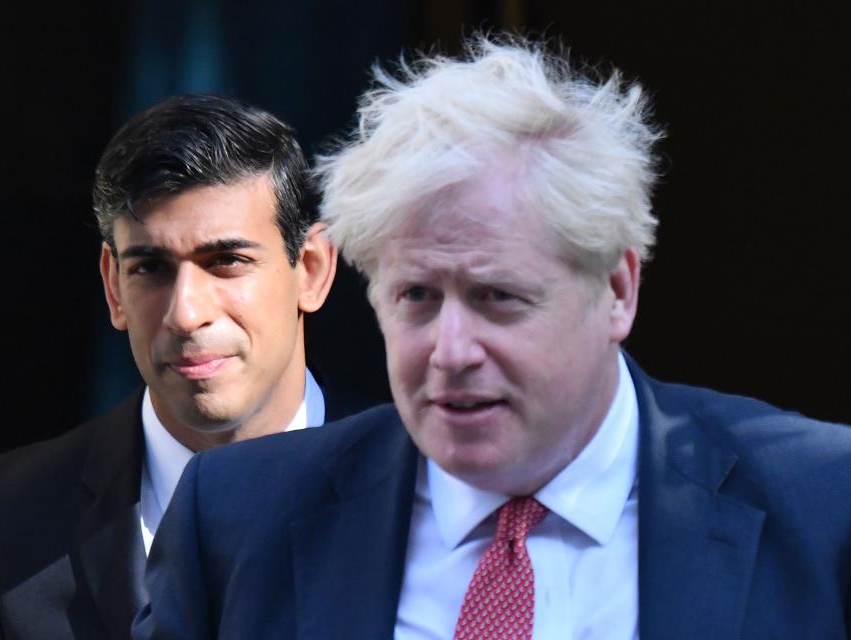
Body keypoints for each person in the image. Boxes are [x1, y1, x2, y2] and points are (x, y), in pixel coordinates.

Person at [133, 37, 851, 639]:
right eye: (416, 296)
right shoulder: (235, 520)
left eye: (498, 298)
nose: (450, 351)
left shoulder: (824, 507)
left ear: (618, 290)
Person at [0, 93, 364, 639]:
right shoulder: (10, 515)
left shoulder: (425, 486)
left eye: (226, 261)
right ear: (113, 286)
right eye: (151, 268)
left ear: (310, 268)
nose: (186, 314)